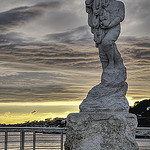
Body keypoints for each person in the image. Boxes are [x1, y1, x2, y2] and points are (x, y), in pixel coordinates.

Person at [85, 0, 125, 69]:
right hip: (101, 29)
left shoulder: (119, 4)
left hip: (114, 28)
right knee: (102, 52)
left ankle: (112, 62)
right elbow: (88, 4)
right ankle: (113, 65)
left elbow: (120, 17)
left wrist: (109, 25)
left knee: (107, 42)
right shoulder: (99, 3)